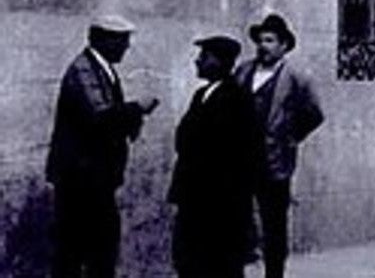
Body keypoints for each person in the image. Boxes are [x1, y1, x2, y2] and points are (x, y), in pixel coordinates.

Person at [46, 15, 160, 278]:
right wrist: (137, 108)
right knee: (82, 248)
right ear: (101, 40)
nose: (126, 47)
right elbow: (99, 116)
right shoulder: (83, 69)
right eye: (121, 40)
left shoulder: (99, 67)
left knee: (93, 245)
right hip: (81, 177)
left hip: (93, 176)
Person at [235, 13, 324, 278]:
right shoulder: (243, 71)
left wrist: (289, 137)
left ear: (284, 45)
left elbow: (314, 113)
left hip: (274, 162)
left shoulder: (297, 77)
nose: (264, 46)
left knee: (274, 223)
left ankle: (275, 273)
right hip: (241, 160)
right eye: (261, 40)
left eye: (271, 40)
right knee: (239, 219)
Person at [169, 36, 261, 278]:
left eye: (204, 57)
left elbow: (235, 152)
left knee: (219, 264)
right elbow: (183, 138)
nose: (198, 61)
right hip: (195, 196)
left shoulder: (237, 99)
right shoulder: (201, 95)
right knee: (190, 261)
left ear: (221, 62)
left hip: (219, 202)